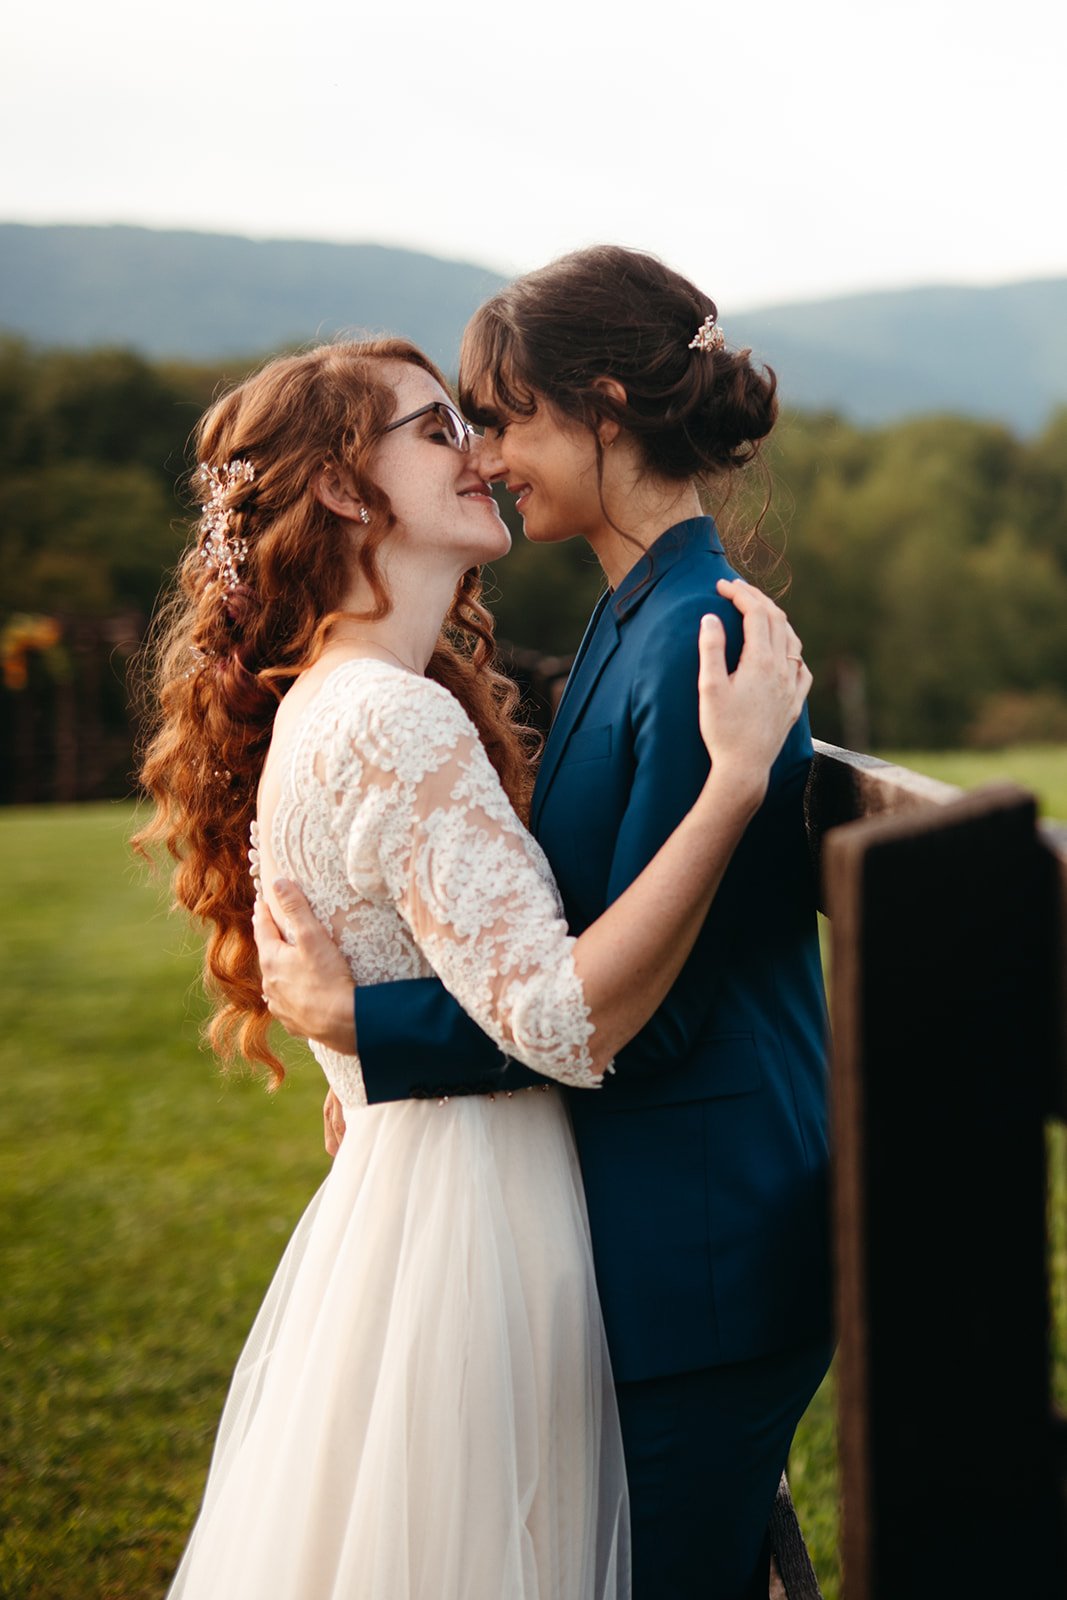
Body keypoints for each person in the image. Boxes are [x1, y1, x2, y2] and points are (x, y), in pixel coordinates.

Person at [136, 332, 810, 1600]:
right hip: (476, 1229)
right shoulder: (390, 716)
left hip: (420, 1211)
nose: (482, 455)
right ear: (344, 486)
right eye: (439, 430)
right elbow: (560, 1016)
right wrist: (730, 787)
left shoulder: (339, 699)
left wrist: (359, 1037)